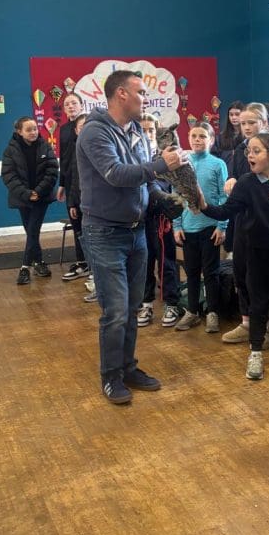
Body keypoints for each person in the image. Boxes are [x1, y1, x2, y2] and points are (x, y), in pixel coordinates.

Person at [75, 70, 183, 404]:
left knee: (133, 307)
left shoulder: (135, 129)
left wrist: (161, 197)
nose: (145, 99)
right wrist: (161, 165)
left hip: (137, 231)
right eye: (141, 92)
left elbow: (143, 179)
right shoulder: (94, 132)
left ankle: (127, 368)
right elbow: (116, 174)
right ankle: (110, 377)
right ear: (121, 94)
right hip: (104, 233)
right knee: (116, 311)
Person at [199, 132, 269, 381]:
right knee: (258, 304)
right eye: (248, 151)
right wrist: (203, 205)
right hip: (257, 253)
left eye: (256, 151)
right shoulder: (246, 183)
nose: (250, 156)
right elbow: (225, 211)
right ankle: (255, 351)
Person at [221, 103, 269, 346]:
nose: (247, 127)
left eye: (252, 122)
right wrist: (231, 179)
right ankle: (247, 322)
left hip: (265, 222)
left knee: (263, 277)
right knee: (240, 271)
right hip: (241, 219)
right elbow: (234, 176)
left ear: (264, 123)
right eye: (243, 123)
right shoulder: (239, 150)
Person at [173, 122, 228, 333]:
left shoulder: (218, 164)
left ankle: (213, 311)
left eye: (202, 136)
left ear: (211, 140)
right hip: (188, 228)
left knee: (211, 272)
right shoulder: (181, 164)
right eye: (194, 135)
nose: (197, 139)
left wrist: (222, 225)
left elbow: (224, 197)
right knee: (192, 272)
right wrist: (177, 225)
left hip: (210, 227)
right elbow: (176, 197)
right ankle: (192, 311)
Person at [0, 116, 59, 285]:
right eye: (28, 130)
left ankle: (24, 267)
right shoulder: (10, 150)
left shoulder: (45, 146)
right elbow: (9, 175)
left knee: (33, 230)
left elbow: (52, 171)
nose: (33, 132)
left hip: (41, 197)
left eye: (35, 129)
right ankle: (39, 262)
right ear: (19, 132)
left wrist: (38, 192)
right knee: (31, 231)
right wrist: (27, 193)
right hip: (23, 198)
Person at [137, 114, 182, 329]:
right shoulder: (134, 155)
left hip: (162, 217)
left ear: (157, 132)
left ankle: (171, 303)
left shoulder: (166, 156)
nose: (148, 134)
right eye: (143, 130)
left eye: (151, 130)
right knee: (144, 263)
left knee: (167, 262)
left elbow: (175, 185)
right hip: (141, 217)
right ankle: (146, 303)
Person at [57, 92, 88, 281]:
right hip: (70, 182)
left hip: (87, 182)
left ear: (81, 105)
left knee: (87, 223)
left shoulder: (89, 126)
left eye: (74, 103)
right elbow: (64, 158)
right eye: (67, 104)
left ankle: (91, 262)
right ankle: (82, 261)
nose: (70, 106)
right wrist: (62, 184)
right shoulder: (63, 129)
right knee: (76, 222)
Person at [214, 100, 244, 166]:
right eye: (231, 115)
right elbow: (215, 156)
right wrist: (230, 154)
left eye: (237, 114)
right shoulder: (221, 137)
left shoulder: (247, 136)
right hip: (226, 168)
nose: (234, 117)